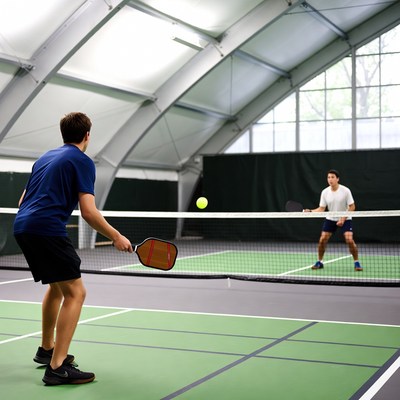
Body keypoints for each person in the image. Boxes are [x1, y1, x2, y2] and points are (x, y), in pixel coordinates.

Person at [13, 112, 133, 386]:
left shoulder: (45, 158)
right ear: (87, 135)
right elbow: (88, 212)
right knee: (77, 292)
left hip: (23, 225)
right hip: (46, 228)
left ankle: (47, 350)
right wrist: (116, 236)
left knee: (57, 288)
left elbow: (23, 199)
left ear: (63, 133)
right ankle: (57, 367)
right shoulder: (82, 161)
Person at [304, 169, 363, 272]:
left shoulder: (345, 191)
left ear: (337, 179)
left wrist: (343, 219)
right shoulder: (325, 192)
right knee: (322, 240)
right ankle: (319, 261)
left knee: (349, 239)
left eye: (332, 177)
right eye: (328, 177)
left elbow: (352, 207)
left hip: (345, 217)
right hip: (331, 218)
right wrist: (310, 211)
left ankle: (356, 262)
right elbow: (321, 209)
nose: (330, 179)